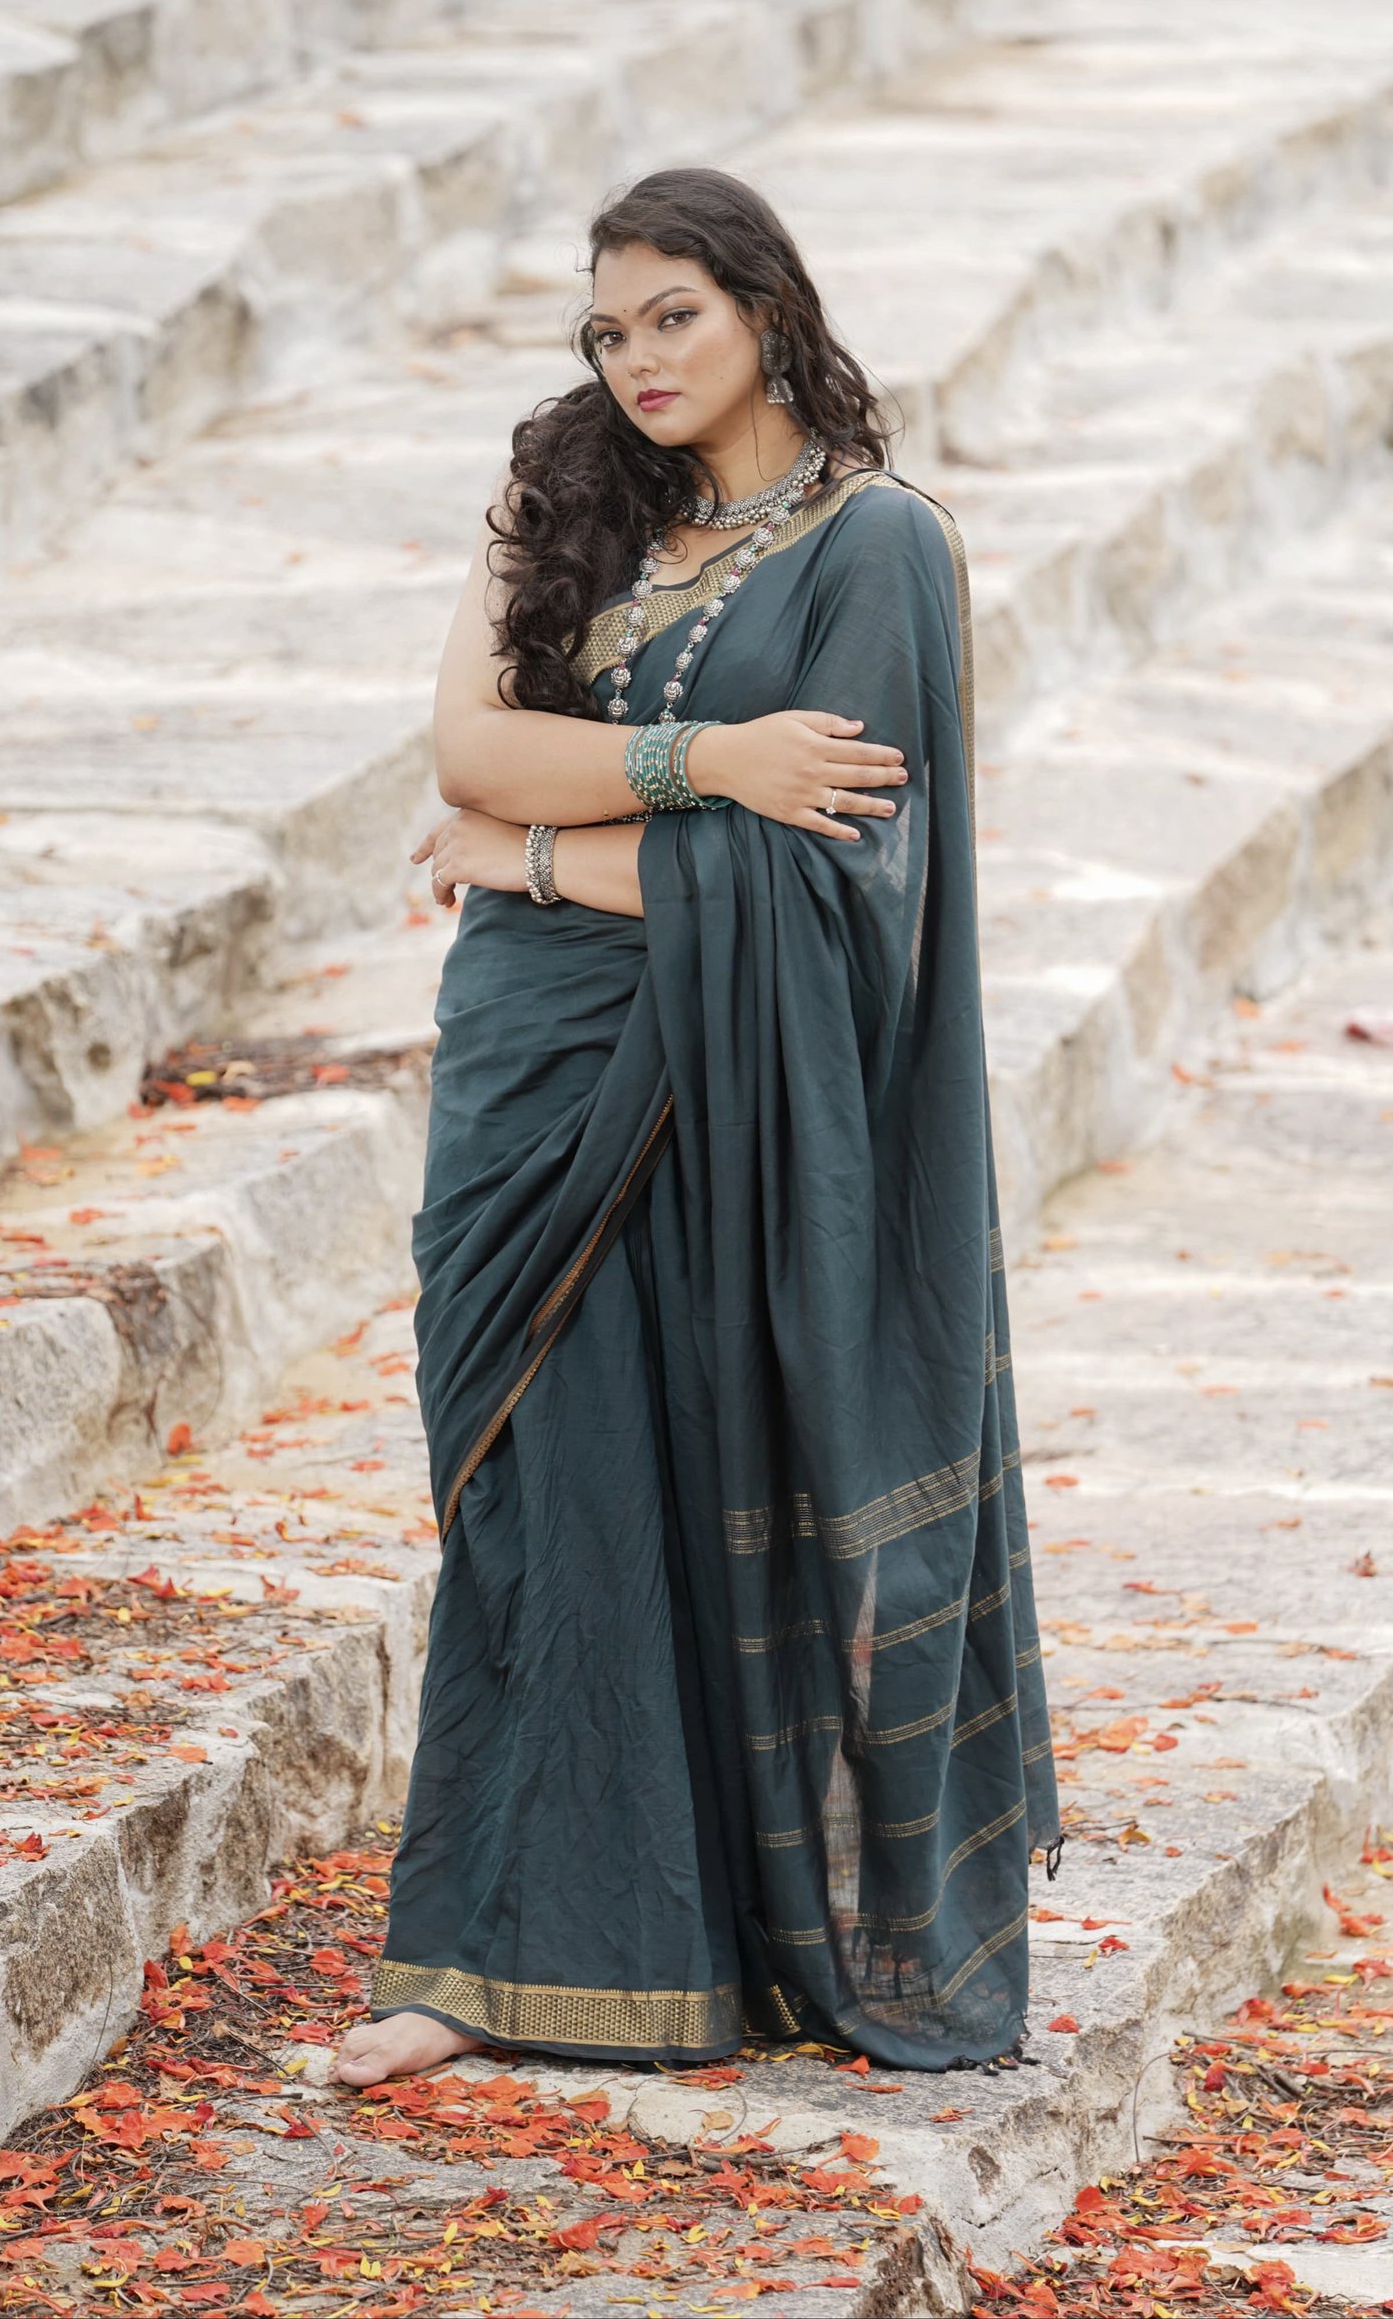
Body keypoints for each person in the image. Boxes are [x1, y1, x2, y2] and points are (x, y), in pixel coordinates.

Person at [329, 167, 1062, 2090]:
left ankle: (663, 1943)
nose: (638, 359)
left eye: (677, 316)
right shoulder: (564, 487)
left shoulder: (877, 547)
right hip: (528, 1070)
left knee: (674, 1476)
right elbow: (470, 747)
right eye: (610, 327)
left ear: (765, 308)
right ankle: (489, 1950)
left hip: (719, 1087)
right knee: (527, 1494)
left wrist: (533, 852)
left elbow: (835, 882)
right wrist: (705, 762)